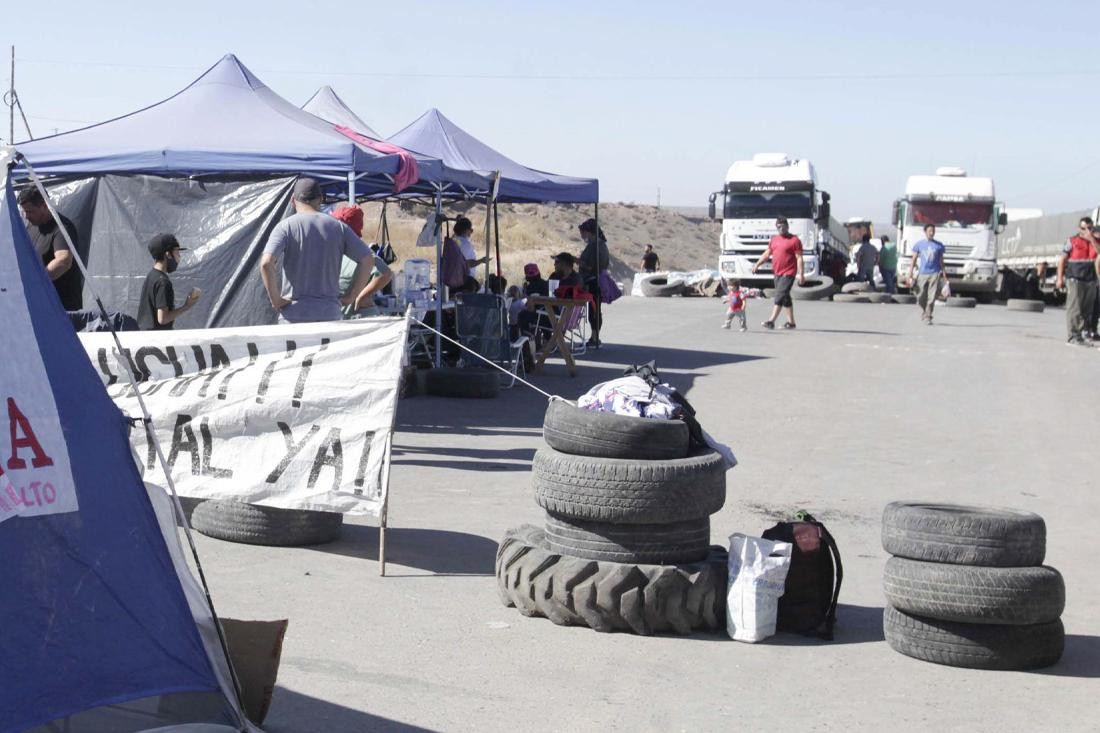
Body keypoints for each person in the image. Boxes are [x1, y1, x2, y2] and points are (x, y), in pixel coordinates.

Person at [260, 177, 377, 324]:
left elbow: (266, 263)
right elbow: (368, 260)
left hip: (294, 316)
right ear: (321, 199)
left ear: (292, 200)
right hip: (329, 315)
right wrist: (351, 296)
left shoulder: (285, 227)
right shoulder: (339, 227)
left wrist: (276, 300)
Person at [17, 187, 83, 311]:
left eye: (30, 211)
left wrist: (36, 281)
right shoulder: (32, 226)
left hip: (62, 308)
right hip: (40, 304)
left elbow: (63, 261)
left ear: (44, 205)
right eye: (24, 211)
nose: (26, 216)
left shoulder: (62, 228)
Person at [331, 205, 394, 318]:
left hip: (357, 320)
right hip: (340, 318)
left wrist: (362, 296)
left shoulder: (362, 253)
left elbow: (386, 274)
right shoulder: (337, 251)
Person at [136, 233, 201, 331]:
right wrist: (186, 306)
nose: (179, 256)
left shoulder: (151, 275)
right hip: (157, 340)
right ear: (168, 254)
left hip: (145, 336)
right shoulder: (163, 282)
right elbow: (162, 319)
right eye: (177, 252)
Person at [752, 217, 805, 329]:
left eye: (783, 226)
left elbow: (799, 258)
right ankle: (791, 323)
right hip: (777, 273)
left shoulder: (794, 240)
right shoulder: (774, 239)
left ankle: (771, 321)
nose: (781, 229)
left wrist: (801, 274)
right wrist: (757, 264)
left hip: (789, 273)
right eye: (778, 227)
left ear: (787, 226)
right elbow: (767, 254)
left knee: (779, 295)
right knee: (785, 297)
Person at [1055, 218, 1100, 346]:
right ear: (1079, 228)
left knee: (1087, 310)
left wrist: (1092, 239)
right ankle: (1073, 336)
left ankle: (1082, 334)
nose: (1087, 231)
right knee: (1075, 309)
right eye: (1084, 228)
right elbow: (1062, 260)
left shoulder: (1096, 242)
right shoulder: (1072, 241)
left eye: (1090, 228)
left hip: (1090, 280)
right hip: (1075, 279)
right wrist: (1059, 278)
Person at [906, 223, 947, 325]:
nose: (932, 233)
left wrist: (944, 274)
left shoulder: (939, 245)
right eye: (930, 231)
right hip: (922, 273)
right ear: (925, 232)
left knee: (931, 297)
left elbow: (941, 261)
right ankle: (925, 311)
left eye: (933, 231)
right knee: (920, 296)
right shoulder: (919, 245)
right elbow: (914, 259)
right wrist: (910, 274)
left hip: (935, 273)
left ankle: (928, 316)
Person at [578, 218, 609, 347]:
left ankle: (595, 338)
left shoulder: (594, 245)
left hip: (593, 282)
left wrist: (579, 262)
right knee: (596, 310)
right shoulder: (600, 244)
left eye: (583, 233)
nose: (582, 236)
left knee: (594, 310)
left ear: (589, 232)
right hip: (597, 281)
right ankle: (594, 337)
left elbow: (592, 266)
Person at [454, 216, 490, 292]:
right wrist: (482, 260)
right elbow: (466, 264)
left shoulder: (455, 240)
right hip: (465, 281)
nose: (471, 232)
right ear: (466, 230)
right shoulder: (465, 244)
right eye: (471, 230)